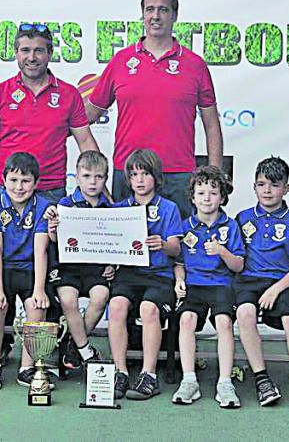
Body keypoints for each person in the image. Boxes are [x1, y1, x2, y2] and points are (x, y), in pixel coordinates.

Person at [86, 0, 224, 218]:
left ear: (175, 15)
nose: (156, 16)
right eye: (150, 9)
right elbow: (89, 113)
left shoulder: (195, 65)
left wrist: (214, 176)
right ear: (143, 15)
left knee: (178, 250)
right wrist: (49, 124)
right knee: (127, 251)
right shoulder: (121, 61)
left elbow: (211, 124)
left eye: (163, 9)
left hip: (178, 176)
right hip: (130, 173)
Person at [0, 23, 100, 205]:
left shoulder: (69, 94)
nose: (31, 57)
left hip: (50, 191)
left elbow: (85, 140)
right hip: (6, 188)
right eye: (25, 50)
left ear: (50, 54)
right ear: (16, 53)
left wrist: (99, 184)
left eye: (39, 51)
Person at [234, 157, 289, 414]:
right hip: (249, 282)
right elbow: (236, 259)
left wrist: (275, 289)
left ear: (286, 188)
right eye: (261, 184)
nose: (267, 190)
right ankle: (262, 380)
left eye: (274, 185)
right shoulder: (243, 218)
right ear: (254, 187)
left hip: (281, 282)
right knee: (244, 313)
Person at [109, 149, 183, 400]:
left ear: (156, 177)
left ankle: (148, 375)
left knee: (148, 309)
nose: (140, 180)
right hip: (129, 274)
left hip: (160, 274)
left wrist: (162, 244)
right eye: (134, 174)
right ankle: (120, 372)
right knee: (117, 305)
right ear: (128, 179)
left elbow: (176, 247)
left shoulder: (169, 208)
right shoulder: (120, 208)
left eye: (145, 174)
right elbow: (110, 245)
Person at [172, 165, 245, 408]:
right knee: (186, 320)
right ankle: (189, 379)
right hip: (194, 285)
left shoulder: (231, 226)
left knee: (224, 322)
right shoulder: (185, 226)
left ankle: (225, 382)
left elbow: (238, 265)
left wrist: (222, 251)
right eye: (201, 193)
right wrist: (180, 280)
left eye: (213, 193)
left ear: (222, 197)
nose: (207, 198)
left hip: (221, 285)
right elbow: (179, 262)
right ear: (192, 197)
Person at [0, 152, 53, 391]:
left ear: (36, 183)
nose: (19, 187)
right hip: (2, 267)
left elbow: (40, 250)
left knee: (36, 305)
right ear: (3, 180)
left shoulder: (43, 206)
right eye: (13, 180)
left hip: (31, 268)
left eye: (25, 181)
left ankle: (27, 368)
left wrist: (39, 290)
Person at [44, 150, 114, 370]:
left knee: (101, 296)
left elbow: (116, 243)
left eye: (99, 177)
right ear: (76, 176)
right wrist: (52, 229)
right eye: (86, 176)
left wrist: (113, 264)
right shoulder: (64, 205)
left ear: (106, 178)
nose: (93, 182)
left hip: (96, 269)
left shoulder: (110, 208)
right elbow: (54, 240)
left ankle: (72, 345)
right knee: (68, 300)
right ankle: (84, 349)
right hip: (68, 269)